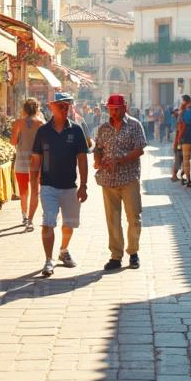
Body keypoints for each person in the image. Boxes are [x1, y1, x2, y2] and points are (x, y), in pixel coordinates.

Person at [30, 92, 90, 277]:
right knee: (48, 222)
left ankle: (63, 250)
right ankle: (49, 260)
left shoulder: (76, 130)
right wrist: (33, 183)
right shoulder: (43, 131)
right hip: (48, 185)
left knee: (69, 224)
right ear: (52, 107)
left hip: (70, 186)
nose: (64, 109)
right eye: (61, 106)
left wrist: (84, 185)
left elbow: (82, 159)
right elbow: (36, 159)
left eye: (67, 106)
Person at [94, 95, 148, 271]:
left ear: (125, 107)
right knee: (113, 219)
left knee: (134, 217)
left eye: (116, 109)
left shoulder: (134, 125)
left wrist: (121, 159)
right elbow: (98, 148)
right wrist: (98, 161)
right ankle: (116, 256)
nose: (113, 112)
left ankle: (133, 253)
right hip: (108, 180)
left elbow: (140, 149)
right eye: (110, 109)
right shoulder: (103, 128)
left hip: (129, 178)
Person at [11, 98, 45, 231]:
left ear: (24, 109)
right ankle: (32, 218)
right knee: (35, 190)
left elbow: (13, 142)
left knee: (23, 191)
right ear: (37, 109)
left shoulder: (18, 123)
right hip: (36, 161)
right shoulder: (41, 123)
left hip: (21, 161)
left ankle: (25, 217)